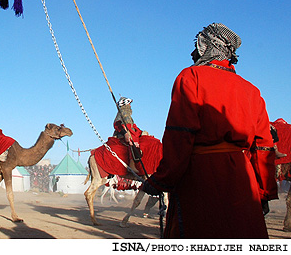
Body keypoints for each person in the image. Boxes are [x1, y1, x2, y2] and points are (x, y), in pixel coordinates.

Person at [142, 23, 277, 238]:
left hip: (201, 180)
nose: (194, 52)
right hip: (244, 183)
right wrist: (264, 193)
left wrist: (161, 180)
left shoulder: (191, 77)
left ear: (207, 46)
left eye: (198, 45)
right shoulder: (252, 90)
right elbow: (263, 148)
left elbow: (180, 135)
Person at [112, 97, 143, 175]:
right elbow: (117, 124)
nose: (130, 106)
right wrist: (125, 133)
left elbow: (133, 126)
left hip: (129, 131)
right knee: (133, 142)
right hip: (122, 135)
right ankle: (132, 165)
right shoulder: (122, 112)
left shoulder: (127, 114)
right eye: (129, 104)